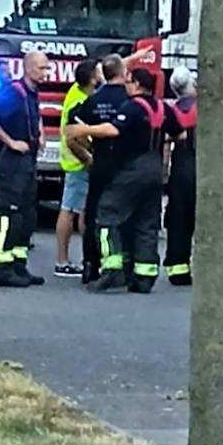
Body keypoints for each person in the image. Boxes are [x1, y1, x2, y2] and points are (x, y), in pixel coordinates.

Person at [78, 61, 165, 294]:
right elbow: (181, 133)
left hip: (134, 168)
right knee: (146, 222)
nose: (126, 86)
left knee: (107, 214)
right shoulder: (162, 106)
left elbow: (113, 130)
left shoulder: (133, 107)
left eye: (128, 82)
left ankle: (112, 270)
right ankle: (144, 276)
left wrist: (84, 130)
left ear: (136, 84)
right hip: (156, 167)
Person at [0, 50, 48, 288]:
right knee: (9, 213)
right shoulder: (13, 92)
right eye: (42, 68)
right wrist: (10, 142)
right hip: (13, 160)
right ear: (28, 67)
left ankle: (18, 265)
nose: (46, 73)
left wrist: (40, 134)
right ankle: (1, 269)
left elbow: (36, 114)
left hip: (29, 158)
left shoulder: (32, 93)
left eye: (47, 68)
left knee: (26, 214)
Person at [69, 51, 128, 285]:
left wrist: (87, 157)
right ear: (123, 73)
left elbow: (72, 134)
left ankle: (90, 265)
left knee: (93, 212)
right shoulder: (130, 99)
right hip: (125, 162)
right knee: (124, 214)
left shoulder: (92, 100)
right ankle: (121, 263)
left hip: (101, 160)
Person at [54, 56, 97, 278]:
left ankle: (78, 259)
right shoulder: (79, 101)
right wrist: (88, 158)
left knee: (75, 208)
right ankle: (64, 261)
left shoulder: (78, 90)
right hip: (77, 162)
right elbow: (74, 137)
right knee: (73, 210)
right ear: (91, 78)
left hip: (74, 160)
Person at [163, 67, 197, 287]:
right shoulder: (206, 109)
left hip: (179, 169)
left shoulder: (173, 111)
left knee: (177, 220)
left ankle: (177, 268)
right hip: (201, 167)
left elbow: (167, 142)